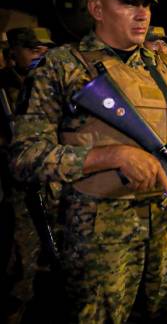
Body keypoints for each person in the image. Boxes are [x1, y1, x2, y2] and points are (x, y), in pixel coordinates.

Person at [9, 0, 167, 323]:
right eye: (128, 2)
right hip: (100, 239)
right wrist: (110, 156)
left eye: (146, 4)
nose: (142, 14)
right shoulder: (62, 66)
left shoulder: (165, 69)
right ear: (96, 9)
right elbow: (24, 157)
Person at [1, 26, 55, 323]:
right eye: (34, 49)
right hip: (18, 184)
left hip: (53, 179)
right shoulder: (4, 87)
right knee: (22, 246)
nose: (41, 54)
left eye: (45, 49)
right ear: (13, 53)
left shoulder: (52, 84)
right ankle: (16, 303)